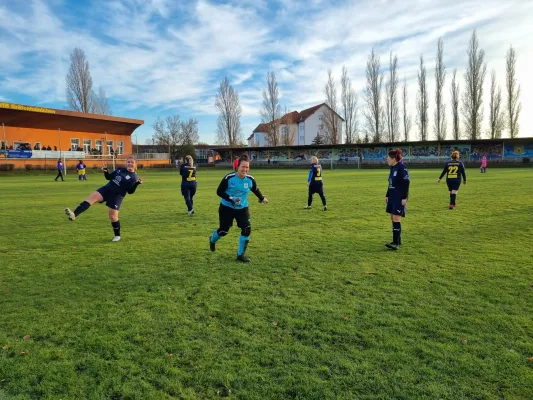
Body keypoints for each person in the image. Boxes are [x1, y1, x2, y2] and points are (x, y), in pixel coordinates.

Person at [64, 157, 143, 242]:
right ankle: (74, 214)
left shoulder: (134, 177)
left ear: (135, 165)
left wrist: (137, 183)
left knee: (113, 216)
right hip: (106, 189)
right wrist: (105, 171)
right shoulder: (120, 169)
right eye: (128, 162)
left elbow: (130, 191)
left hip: (116, 196)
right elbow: (109, 177)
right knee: (90, 199)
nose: (130, 163)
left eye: (132, 162)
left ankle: (117, 235)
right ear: (126, 163)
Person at [209, 154, 268, 262]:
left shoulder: (250, 179)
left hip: (242, 208)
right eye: (243, 167)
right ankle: (212, 239)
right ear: (237, 167)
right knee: (223, 231)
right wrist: (231, 198)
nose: (245, 169)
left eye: (247, 167)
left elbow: (255, 189)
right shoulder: (229, 178)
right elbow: (219, 192)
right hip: (227, 207)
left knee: (247, 229)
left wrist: (262, 198)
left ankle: (240, 255)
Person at [385, 149, 410, 250]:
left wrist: (405, 197)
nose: (387, 159)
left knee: (396, 218)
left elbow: (407, 182)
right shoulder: (392, 168)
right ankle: (397, 240)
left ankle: (395, 243)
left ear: (394, 159)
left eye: (388, 158)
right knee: (392, 218)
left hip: (399, 198)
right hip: (392, 197)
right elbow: (390, 183)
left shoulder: (401, 167)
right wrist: (387, 195)